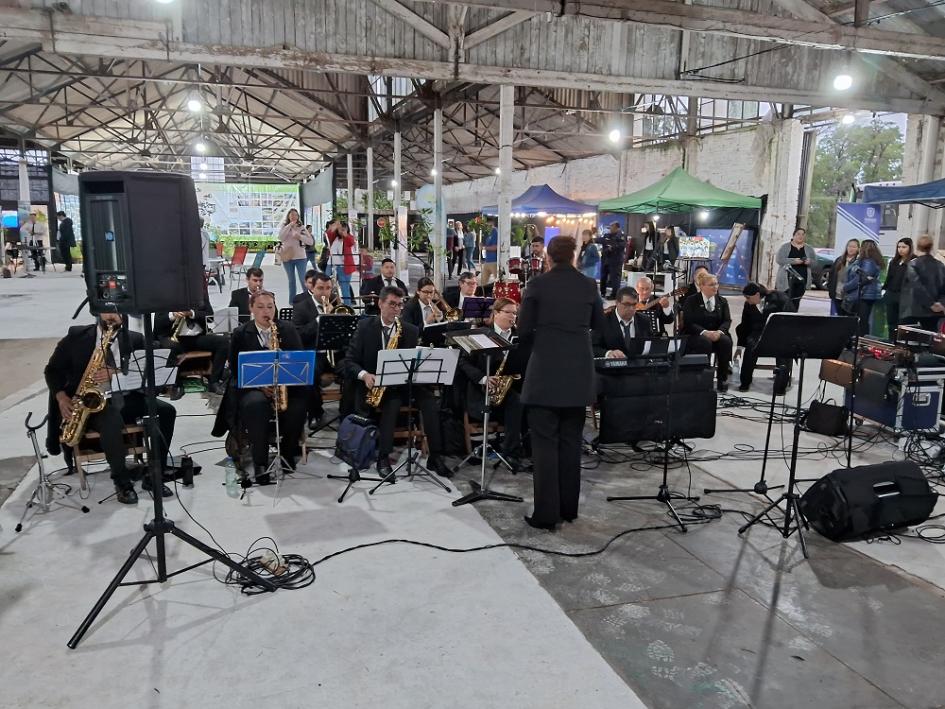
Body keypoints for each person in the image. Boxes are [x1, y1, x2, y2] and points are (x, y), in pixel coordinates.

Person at [517, 236, 604, 530]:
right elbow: (598, 326)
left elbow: (524, 329)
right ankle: (568, 509)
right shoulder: (589, 285)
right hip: (578, 375)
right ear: (574, 256)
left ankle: (546, 514)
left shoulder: (538, 285)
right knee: (570, 445)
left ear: (549, 257)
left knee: (544, 447)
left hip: (545, 374)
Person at [45, 313, 178, 504]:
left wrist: (116, 372)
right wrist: (60, 397)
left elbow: (145, 371)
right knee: (112, 419)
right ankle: (122, 482)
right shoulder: (77, 336)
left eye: (116, 312)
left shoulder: (134, 339)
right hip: (91, 403)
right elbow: (52, 370)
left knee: (166, 411)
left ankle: (154, 475)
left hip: (125, 397)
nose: (111, 316)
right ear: (97, 312)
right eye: (106, 311)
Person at [342, 286, 453, 478]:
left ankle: (435, 456)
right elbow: (349, 360)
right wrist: (365, 375)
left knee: (430, 402)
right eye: (392, 304)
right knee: (392, 404)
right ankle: (383, 457)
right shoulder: (365, 327)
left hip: (405, 381)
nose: (396, 309)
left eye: (399, 305)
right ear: (380, 303)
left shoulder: (409, 330)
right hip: (378, 383)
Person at [227, 290, 307, 484]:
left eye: (270, 307)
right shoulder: (241, 333)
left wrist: (284, 358)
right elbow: (236, 369)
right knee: (256, 405)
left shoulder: (287, 329)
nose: (266, 312)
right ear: (251, 309)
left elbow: (299, 360)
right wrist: (261, 385)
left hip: (284, 385)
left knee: (298, 406)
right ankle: (260, 462)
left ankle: (287, 455)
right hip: (253, 388)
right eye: (261, 307)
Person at [458, 297, 529, 469]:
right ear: (496, 313)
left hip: (511, 387)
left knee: (528, 399)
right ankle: (511, 452)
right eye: (509, 313)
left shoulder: (519, 337)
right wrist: (484, 379)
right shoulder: (480, 333)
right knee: (516, 402)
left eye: (515, 313)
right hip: (483, 391)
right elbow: (463, 362)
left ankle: (527, 449)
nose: (513, 317)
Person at [153, 292, 229, 394]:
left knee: (223, 342)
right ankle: (177, 385)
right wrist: (173, 315)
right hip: (173, 338)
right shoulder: (166, 296)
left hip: (195, 337)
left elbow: (210, 315)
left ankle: (214, 382)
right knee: (172, 347)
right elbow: (158, 322)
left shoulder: (199, 294)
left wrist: (192, 313)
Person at [292, 271, 339, 428]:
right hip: (315, 354)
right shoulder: (301, 308)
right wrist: (320, 319)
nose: (325, 292)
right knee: (309, 374)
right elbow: (299, 335)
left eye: (328, 288)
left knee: (355, 370)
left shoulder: (337, 304)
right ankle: (316, 413)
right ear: (312, 288)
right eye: (321, 288)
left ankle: (349, 413)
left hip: (336, 353)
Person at [734, 282, 795, 393]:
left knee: (783, 351)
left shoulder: (780, 299)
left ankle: (780, 386)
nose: (747, 300)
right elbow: (745, 325)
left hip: (779, 333)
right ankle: (745, 382)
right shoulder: (748, 305)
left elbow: (791, 319)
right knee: (751, 346)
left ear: (757, 294)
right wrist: (739, 347)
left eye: (748, 297)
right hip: (758, 333)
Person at [681, 272, 733, 392]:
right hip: (697, 334)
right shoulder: (691, 300)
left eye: (716, 284)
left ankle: (722, 378)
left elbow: (727, 320)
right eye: (711, 285)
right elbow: (689, 323)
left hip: (716, 333)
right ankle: (705, 378)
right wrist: (705, 332)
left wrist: (719, 332)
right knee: (705, 343)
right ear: (702, 286)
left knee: (726, 342)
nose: (715, 287)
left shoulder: (722, 301)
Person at [900, 234, 945, 332]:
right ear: (931, 247)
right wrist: (940, 304)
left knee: (907, 342)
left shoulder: (913, 264)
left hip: (913, 309)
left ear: (917, 246)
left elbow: (917, 286)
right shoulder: (941, 265)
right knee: (929, 342)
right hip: (934, 312)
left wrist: (930, 304)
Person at [592, 286, 654, 358]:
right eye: (627, 304)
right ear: (617, 303)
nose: (631, 309)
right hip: (613, 367)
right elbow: (592, 347)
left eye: (634, 304)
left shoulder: (644, 320)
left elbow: (651, 344)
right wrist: (608, 353)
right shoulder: (603, 321)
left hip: (638, 366)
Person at [841, 238, 884, 336]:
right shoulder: (874, 261)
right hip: (868, 294)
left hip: (864, 294)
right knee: (863, 320)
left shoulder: (867, 261)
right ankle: (861, 341)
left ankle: (860, 342)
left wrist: (845, 287)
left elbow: (860, 279)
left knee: (862, 320)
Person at [775, 227, 817, 310]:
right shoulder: (785, 246)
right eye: (798, 234)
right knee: (785, 301)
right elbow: (779, 259)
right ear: (793, 235)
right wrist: (794, 261)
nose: (800, 236)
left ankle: (793, 317)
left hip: (802, 280)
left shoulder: (809, 249)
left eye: (802, 234)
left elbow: (815, 263)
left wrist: (809, 262)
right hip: (786, 280)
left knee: (796, 301)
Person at [278, 208, 314, 302]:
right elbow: (281, 237)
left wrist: (300, 237)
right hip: (288, 257)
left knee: (303, 279)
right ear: (288, 216)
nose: (294, 216)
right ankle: (292, 301)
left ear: (298, 216)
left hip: (301, 257)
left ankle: (308, 299)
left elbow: (310, 241)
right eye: (292, 214)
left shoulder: (301, 227)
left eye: (295, 215)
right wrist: (290, 225)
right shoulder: (284, 226)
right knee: (291, 280)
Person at [883, 237, 914, 338]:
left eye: (904, 247)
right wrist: (885, 290)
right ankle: (891, 342)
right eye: (899, 247)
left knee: (902, 323)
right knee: (891, 322)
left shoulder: (914, 261)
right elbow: (889, 278)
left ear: (910, 248)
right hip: (891, 294)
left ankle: (901, 346)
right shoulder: (894, 261)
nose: (900, 249)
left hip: (905, 296)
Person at [327, 220, 358, 305]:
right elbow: (328, 234)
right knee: (327, 283)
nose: (342, 230)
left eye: (344, 229)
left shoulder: (349, 237)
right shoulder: (335, 237)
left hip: (345, 267)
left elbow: (351, 242)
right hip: (333, 265)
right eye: (341, 229)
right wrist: (335, 226)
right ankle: (329, 304)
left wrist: (345, 235)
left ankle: (348, 306)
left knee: (345, 287)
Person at [827, 239, 859, 316]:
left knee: (849, 318)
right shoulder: (839, 260)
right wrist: (831, 289)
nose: (851, 248)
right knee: (839, 316)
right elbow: (831, 276)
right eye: (849, 246)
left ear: (858, 249)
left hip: (850, 297)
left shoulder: (858, 262)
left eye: (854, 247)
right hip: (837, 294)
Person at [599, 222, 628, 299]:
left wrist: (612, 247)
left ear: (617, 228)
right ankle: (602, 292)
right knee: (603, 277)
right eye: (610, 227)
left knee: (615, 278)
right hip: (605, 260)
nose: (610, 229)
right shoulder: (607, 235)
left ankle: (614, 295)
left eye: (612, 227)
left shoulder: (621, 236)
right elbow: (602, 241)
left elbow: (622, 246)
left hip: (616, 261)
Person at [481, 219, 499, 284]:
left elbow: (495, 247)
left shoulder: (495, 232)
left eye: (489, 225)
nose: (487, 227)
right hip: (487, 260)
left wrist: (484, 247)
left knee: (498, 281)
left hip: (494, 261)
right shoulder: (489, 233)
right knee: (483, 282)